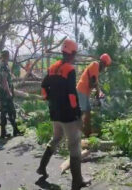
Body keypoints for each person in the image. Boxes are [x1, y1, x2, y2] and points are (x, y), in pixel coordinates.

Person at [37, 39, 90, 190]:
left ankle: (41, 167)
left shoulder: (52, 68)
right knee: (74, 146)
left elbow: (43, 86)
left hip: (55, 113)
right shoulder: (70, 70)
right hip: (68, 116)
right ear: (72, 53)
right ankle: (77, 182)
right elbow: (72, 95)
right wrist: (77, 114)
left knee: (56, 139)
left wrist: (49, 98)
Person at [76, 53, 111, 137]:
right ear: (103, 63)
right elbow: (93, 84)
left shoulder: (96, 69)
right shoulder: (95, 65)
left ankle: (87, 134)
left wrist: (99, 93)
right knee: (83, 112)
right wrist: (98, 95)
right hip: (82, 91)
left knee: (87, 113)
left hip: (85, 92)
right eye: (105, 66)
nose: (104, 68)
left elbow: (95, 84)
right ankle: (76, 133)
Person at [0, 50, 22, 138]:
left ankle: (4, 132)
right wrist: (9, 92)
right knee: (10, 111)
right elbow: (4, 81)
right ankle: (15, 130)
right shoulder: (4, 66)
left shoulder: (2, 65)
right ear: (7, 56)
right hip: (5, 93)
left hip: (3, 92)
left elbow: (2, 79)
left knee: (4, 111)